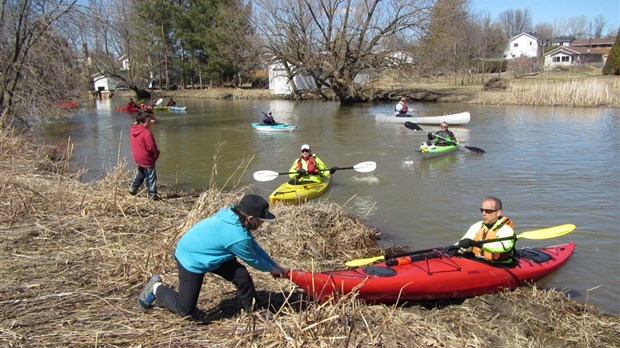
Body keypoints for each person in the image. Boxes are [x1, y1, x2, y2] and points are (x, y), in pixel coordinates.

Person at [137, 194, 288, 320]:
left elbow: (255, 247)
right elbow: (254, 259)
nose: (262, 224)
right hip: (191, 257)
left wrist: (275, 266)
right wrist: (271, 269)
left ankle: (253, 310)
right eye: (261, 221)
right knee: (185, 310)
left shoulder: (233, 216)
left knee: (242, 276)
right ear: (250, 218)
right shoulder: (237, 235)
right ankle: (156, 288)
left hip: (212, 253)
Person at [457, 196, 515, 263]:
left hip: (499, 265)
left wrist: (479, 244)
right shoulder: (478, 226)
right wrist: (455, 248)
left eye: (488, 211)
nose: (484, 214)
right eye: (482, 210)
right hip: (478, 261)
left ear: (498, 213)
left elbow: (504, 247)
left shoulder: (506, 229)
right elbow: (464, 240)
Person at [128, 112, 160, 200]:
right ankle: (152, 195)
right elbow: (152, 147)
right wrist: (157, 154)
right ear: (141, 122)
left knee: (141, 173)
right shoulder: (146, 133)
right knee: (151, 177)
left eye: (150, 121)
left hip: (138, 156)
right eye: (148, 122)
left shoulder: (133, 130)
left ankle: (133, 188)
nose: (149, 124)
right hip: (146, 158)